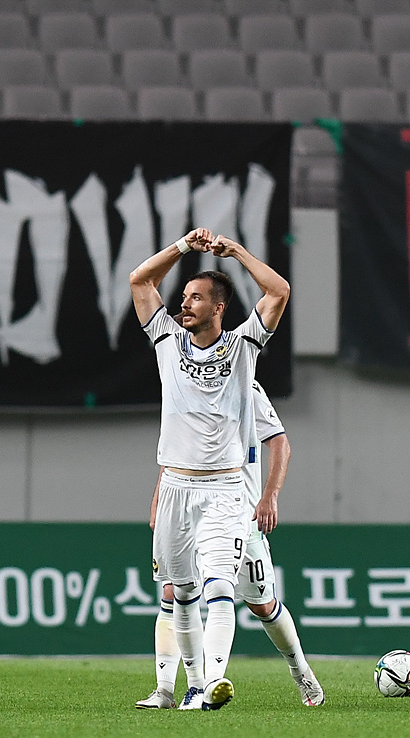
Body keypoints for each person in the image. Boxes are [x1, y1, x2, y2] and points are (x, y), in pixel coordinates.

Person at [129, 228, 290, 710]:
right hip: (176, 485)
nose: (185, 303)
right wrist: (183, 247)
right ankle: (187, 687)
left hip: (223, 489)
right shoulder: (166, 340)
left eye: (196, 297)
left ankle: (212, 683)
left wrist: (235, 251)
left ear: (219, 308)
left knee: (219, 585)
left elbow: (278, 290)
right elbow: (139, 281)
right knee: (179, 593)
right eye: (183, 296)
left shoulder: (243, 347)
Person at [136, 381, 325, 710]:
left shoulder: (245, 387)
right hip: (189, 506)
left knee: (262, 605)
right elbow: (178, 450)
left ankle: (301, 672)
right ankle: (172, 689)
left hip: (237, 510)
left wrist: (270, 496)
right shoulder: (188, 383)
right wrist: (159, 498)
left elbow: (280, 442)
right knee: (174, 589)